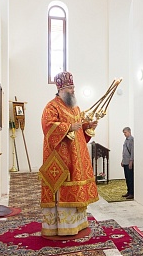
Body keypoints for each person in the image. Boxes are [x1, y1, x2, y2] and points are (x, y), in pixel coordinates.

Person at [40, 71, 99, 237]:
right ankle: (60, 227)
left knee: (77, 188)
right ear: (60, 89)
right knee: (63, 188)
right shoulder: (51, 106)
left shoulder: (75, 108)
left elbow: (80, 127)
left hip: (78, 156)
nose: (73, 90)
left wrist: (89, 125)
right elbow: (47, 127)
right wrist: (67, 128)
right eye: (69, 88)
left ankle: (78, 224)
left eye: (73, 87)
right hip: (62, 158)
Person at [121, 127, 134, 199]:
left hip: (129, 162)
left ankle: (132, 193)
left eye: (125, 132)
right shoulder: (126, 140)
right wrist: (122, 161)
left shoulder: (132, 140)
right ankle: (128, 191)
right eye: (124, 133)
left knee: (130, 178)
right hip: (125, 161)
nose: (124, 134)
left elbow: (132, 151)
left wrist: (131, 161)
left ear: (129, 132)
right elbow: (124, 152)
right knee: (127, 178)